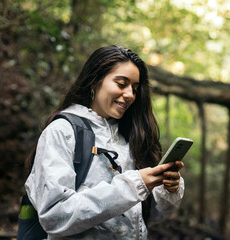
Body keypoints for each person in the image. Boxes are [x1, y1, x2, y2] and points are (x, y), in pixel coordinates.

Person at [24, 45, 185, 239]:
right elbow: (55, 215)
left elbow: (150, 217)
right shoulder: (62, 132)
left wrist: (166, 189)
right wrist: (132, 186)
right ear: (94, 81)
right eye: (121, 84)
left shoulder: (129, 138)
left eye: (134, 88)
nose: (130, 95)